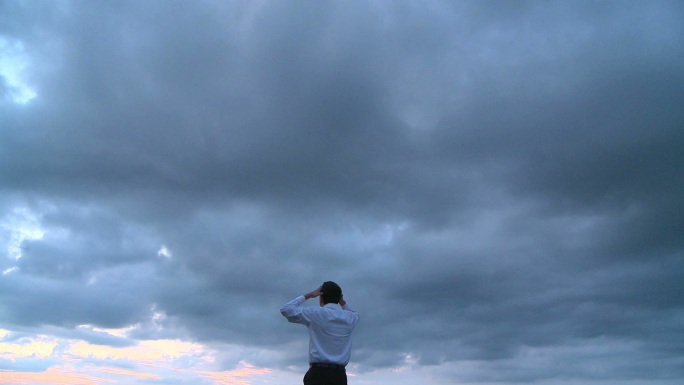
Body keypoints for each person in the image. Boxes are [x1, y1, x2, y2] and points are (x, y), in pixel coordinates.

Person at [280, 281, 360, 385]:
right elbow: (355, 312)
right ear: (339, 297)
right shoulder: (350, 318)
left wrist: (309, 295)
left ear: (321, 297)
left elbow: (286, 309)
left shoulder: (315, 313)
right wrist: (341, 300)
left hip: (318, 374)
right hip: (339, 376)